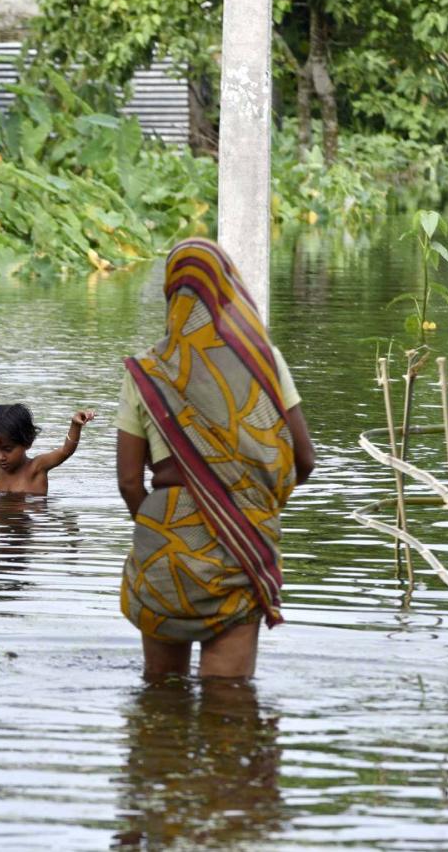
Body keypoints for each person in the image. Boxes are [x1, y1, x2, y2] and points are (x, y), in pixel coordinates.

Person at [115, 238, 315, 680]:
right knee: (231, 707)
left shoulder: (148, 371)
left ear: (171, 293)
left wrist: (163, 529)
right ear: (228, 289)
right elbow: (305, 459)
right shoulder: (266, 363)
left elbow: (129, 482)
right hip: (238, 546)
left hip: (165, 547)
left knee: (161, 698)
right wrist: (248, 507)